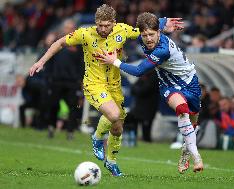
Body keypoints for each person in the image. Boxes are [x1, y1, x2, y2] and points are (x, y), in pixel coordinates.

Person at [29, 4, 184, 177]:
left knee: (117, 128)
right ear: (95, 22)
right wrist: (41, 61)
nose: (103, 29)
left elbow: (143, 28)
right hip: (94, 84)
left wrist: (163, 23)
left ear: (113, 23)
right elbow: (59, 43)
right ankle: (97, 137)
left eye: (107, 25)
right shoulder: (85, 34)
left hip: (114, 86)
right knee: (113, 114)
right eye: (100, 25)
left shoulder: (122, 30)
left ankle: (111, 162)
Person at [97, 12, 204, 173]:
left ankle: (186, 150)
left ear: (159, 33)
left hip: (191, 83)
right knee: (182, 110)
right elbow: (154, 23)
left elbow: (140, 70)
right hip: (169, 85)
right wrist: (164, 21)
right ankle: (196, 157)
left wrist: (115, 62)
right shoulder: (148, 34)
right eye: (145, 35)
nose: (148, 39)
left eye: (152, 34)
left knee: (194, 122)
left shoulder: (162, 50)